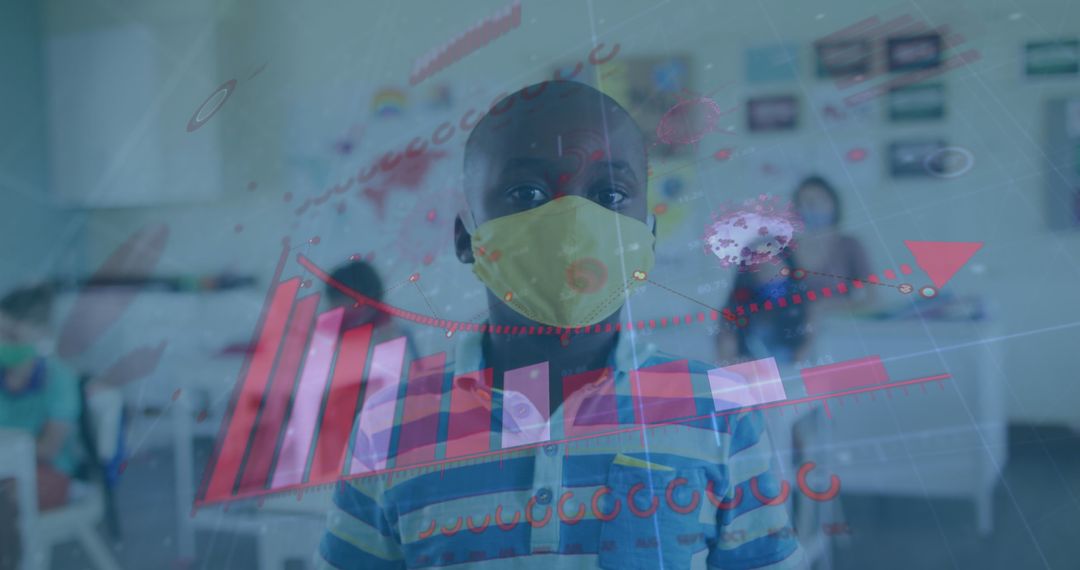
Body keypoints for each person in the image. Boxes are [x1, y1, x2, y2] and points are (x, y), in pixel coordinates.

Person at [316, 81, 805, 569]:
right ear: (467, 238)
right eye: (526, 192)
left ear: (647, 237)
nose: (573, 222)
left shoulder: (720, 415)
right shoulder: (390, 427)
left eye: (609, 194)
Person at [0, 285, 82, 570]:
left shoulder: (58, 379)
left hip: (48, 473)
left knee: (4, 504)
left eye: (11, 336)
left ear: (41, 336)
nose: (2, 343)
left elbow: (49, 449)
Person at [716, 250, 812, 367]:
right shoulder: (733, 317)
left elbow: (804, 360)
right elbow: (725, 363)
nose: (767, 268)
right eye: (759, 262)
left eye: (773, 259)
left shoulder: (806, 311)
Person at [791, 176, 874, 309]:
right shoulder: (786, 249)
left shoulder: (850, 246)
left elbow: (873, 299)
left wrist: (825, 306)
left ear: (833, 204)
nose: (813, 207)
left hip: (838, 325)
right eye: (806, 202)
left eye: (819, 200)